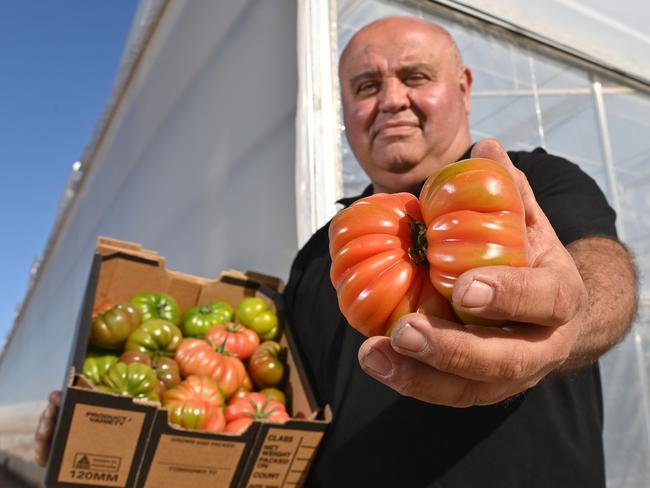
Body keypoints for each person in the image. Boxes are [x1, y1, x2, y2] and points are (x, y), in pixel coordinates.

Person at [36, 16, 637, 487]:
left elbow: (604, 273)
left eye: (416, 77)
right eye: (366, 86)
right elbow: (277, 403)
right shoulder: (320, 253)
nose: (391, 99)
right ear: (347, 111)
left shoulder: (531, 187)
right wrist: (116, 428)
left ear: (463, 87)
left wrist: (574, 312)